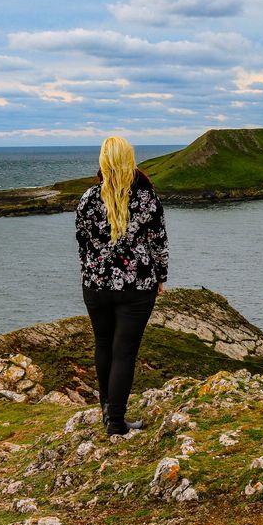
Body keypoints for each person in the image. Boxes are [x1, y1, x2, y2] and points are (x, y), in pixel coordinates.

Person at [75, 136, 170, 436]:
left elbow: (82, 244)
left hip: (95, 285)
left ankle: (107, 411)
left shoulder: (88, 199)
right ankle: (115, 421)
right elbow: (159, 244)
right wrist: (161, 277)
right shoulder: (146, 198)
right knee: (124, 352)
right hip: (137, 286)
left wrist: (91, 273)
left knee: (103, 344)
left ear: (103, 162)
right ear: (130, 160)